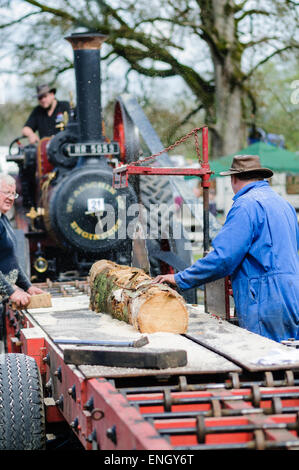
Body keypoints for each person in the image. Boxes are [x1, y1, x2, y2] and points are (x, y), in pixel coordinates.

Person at [153, 154, 299, 343]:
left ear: (234, 178)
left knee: (265, 360)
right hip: (293, 294)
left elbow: (223, 259)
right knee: (289, 358)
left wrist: (181, 278)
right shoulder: (284, 205)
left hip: (265, 300)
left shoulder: (245, 206)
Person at [0, 173, 44, 308]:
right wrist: (11, 291)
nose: (11, 198)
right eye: (7, 192)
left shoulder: (3, 219)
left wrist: (28, 286)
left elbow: (9, 260)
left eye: (14, 194)